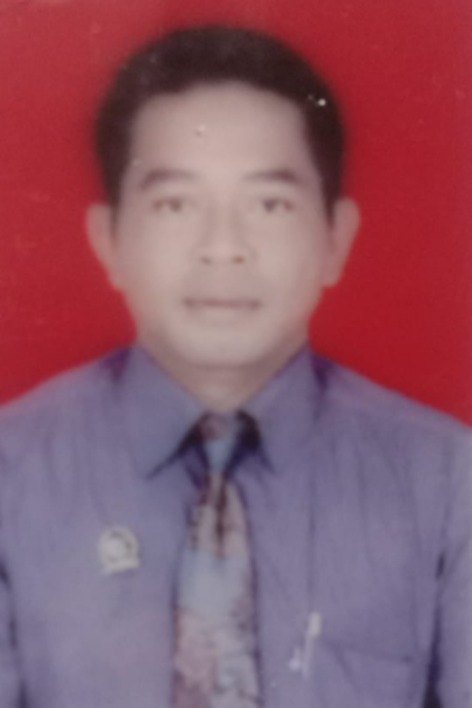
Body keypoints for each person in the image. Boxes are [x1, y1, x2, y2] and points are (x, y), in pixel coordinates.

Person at [0, 23, 470, 708]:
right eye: (176, 205)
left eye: (269, 204)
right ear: (109, 242)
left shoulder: (450, 484)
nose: (223, 248)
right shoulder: (11, 476)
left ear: (335, 239)